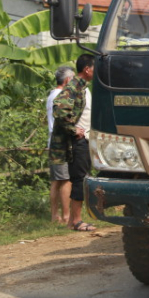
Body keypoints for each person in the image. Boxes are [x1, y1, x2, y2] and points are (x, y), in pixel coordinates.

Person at [52, 54, 96, 232]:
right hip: (78, 143)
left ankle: (74, 220)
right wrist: (73, 129)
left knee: (81, 179)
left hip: (85, 140)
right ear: (87, 69)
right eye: (95, 67)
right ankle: (76, 220)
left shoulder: (84, 87)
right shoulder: (74, 86)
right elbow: (59, 108)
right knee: (79, 180)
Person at [46, 66, 74, 223]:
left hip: (53, 141)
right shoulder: (62, 96)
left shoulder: (52, 95)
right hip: (60, 142)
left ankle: (54, 216)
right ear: (68, 80)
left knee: (56, 180)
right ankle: (66, 216)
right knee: (65, 179)